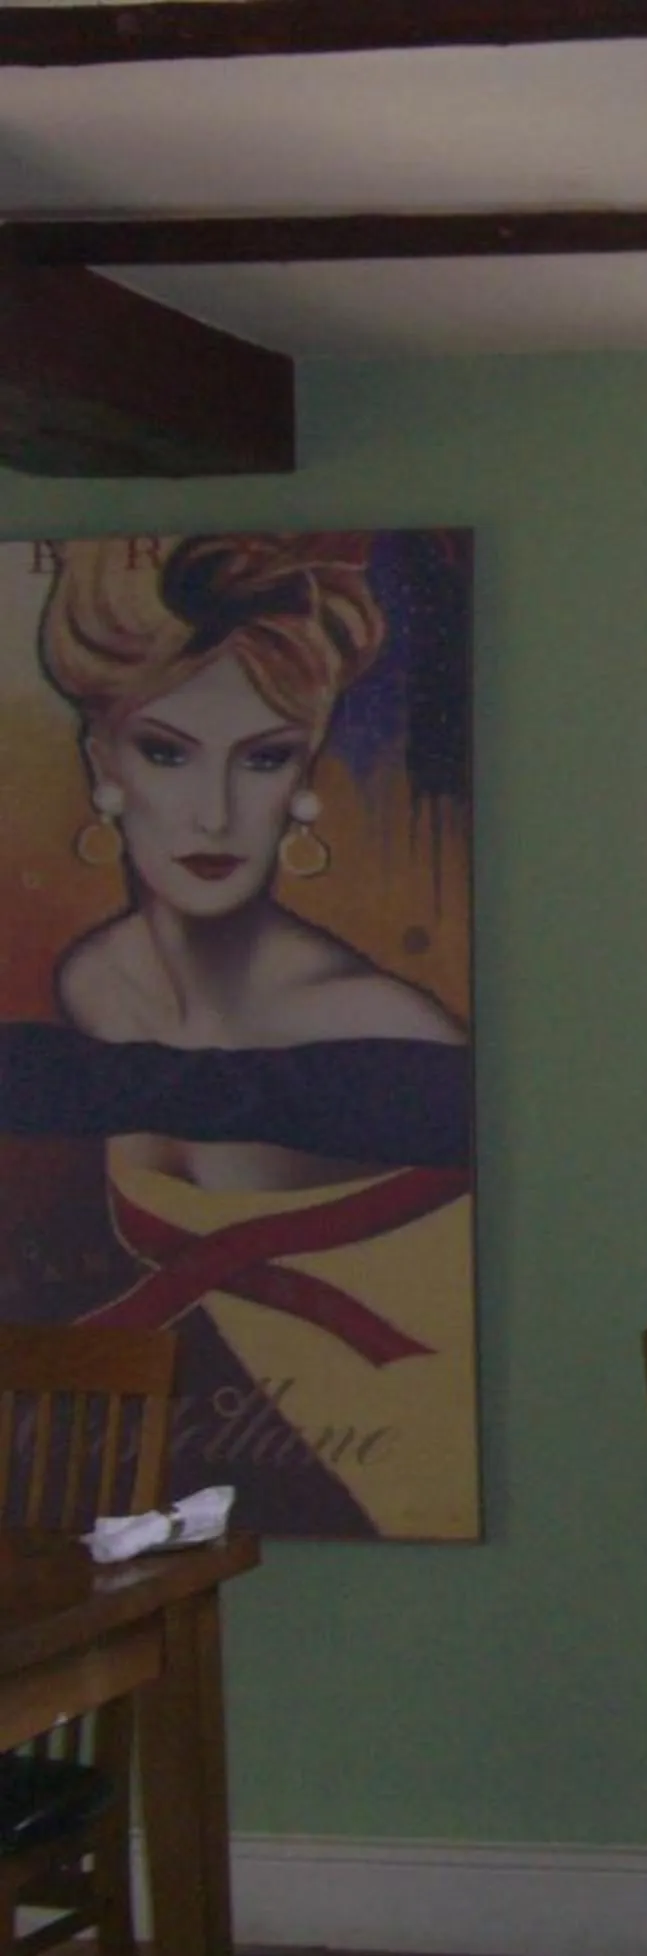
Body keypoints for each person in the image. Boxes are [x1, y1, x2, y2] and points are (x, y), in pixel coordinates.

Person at [0, 532, 476, 1539]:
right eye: (166, 750)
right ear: (102, 760)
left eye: (262, 757)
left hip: (397, 1454)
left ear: (304, 775)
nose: (212, 812)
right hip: (193, 1471)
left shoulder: (380, 1026)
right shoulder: (93, 982)